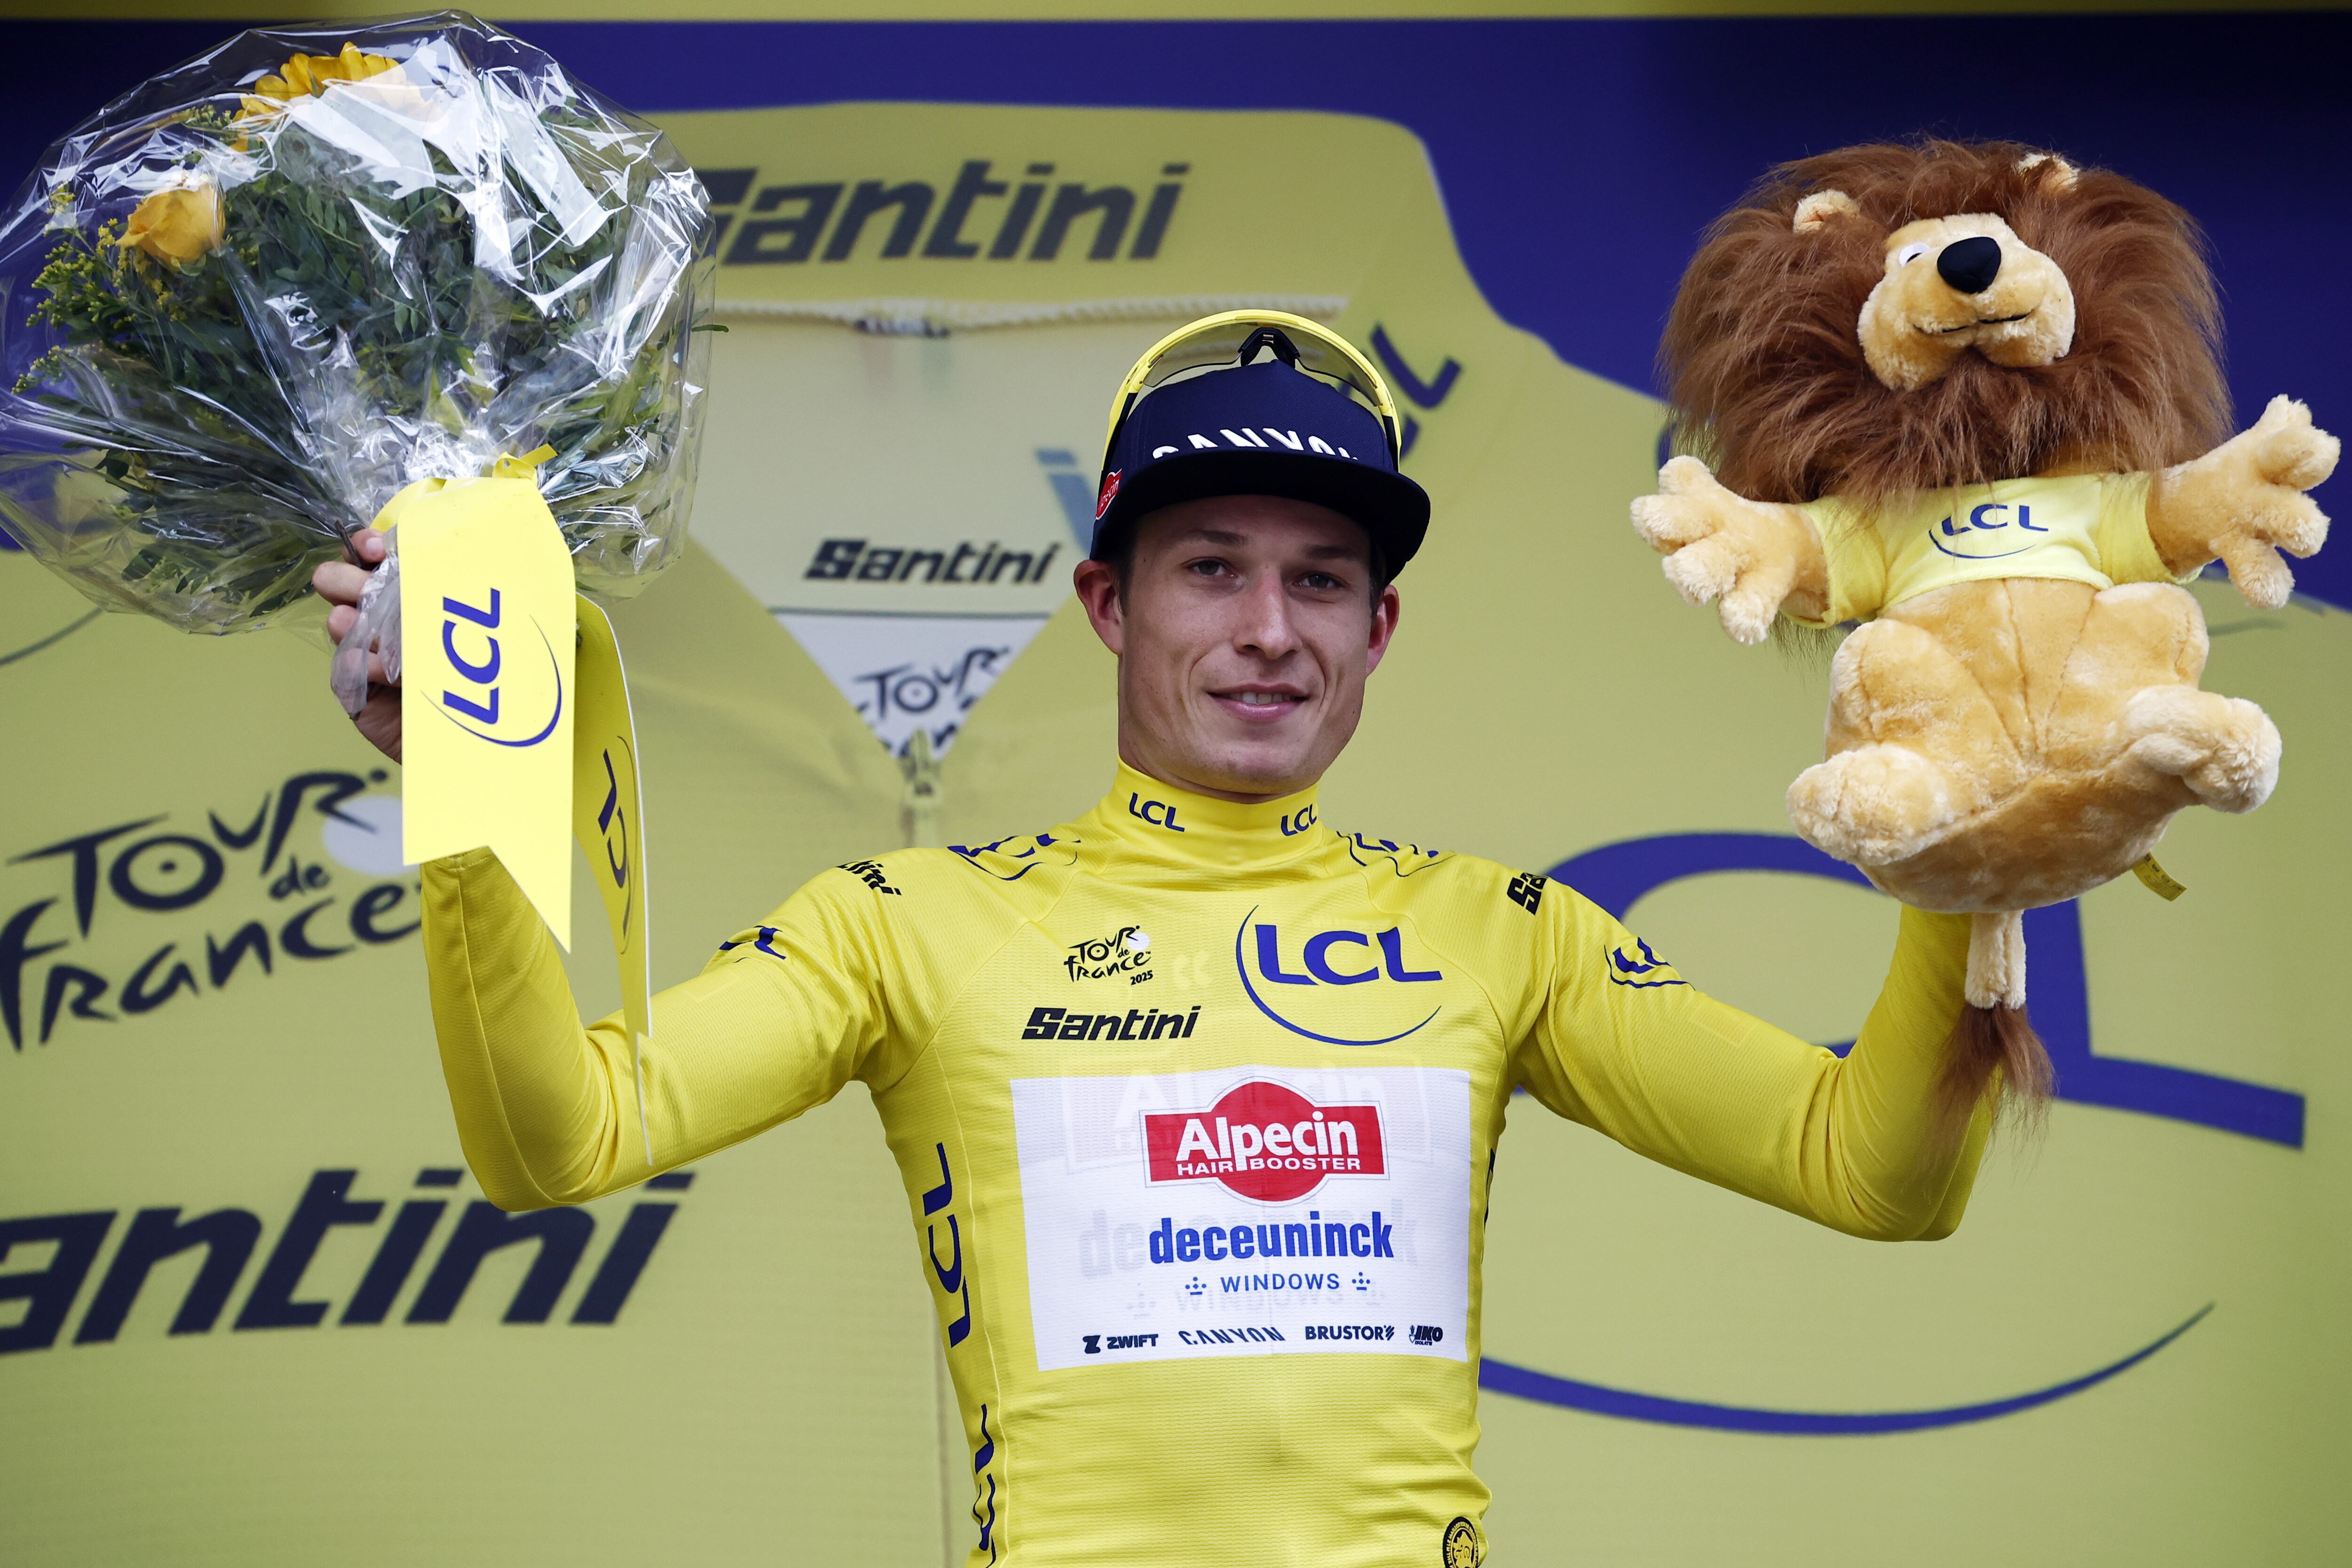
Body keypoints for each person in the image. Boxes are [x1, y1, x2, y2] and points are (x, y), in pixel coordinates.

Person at [317, 313, 1988, 1568]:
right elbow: (560, 1142)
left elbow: (1877, 1173)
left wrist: (1988, 840)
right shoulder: (911, 927)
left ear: (1379, 627)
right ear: (1107, 603)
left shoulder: (1501, 933)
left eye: (1323, 583)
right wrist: (470, 773)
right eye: (1210, 570)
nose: (1271, 633)